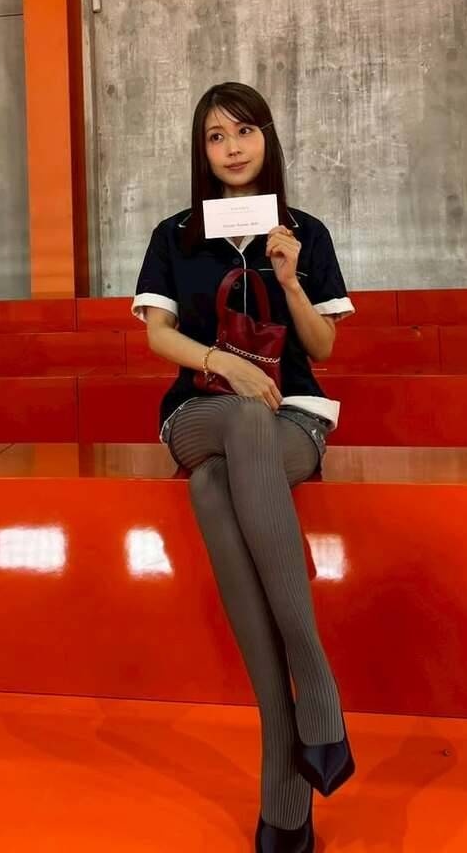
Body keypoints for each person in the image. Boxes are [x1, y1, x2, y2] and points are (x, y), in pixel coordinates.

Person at [132, 82, 356, 853]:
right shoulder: (174, 236)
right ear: (202, 152)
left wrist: (290, 279)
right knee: (238, 425)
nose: (231, 147)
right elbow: (157, 335)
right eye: (216, 136)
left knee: (213, 484)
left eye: (245, 131)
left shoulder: (305, 232)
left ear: (267, 139)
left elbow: (323, 349)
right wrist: (223, 364)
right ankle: (315, 677)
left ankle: (283, 787)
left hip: (295, 419)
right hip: (201, 412)